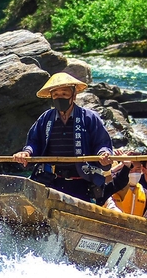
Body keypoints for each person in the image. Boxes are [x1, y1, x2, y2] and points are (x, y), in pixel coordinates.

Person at [12, 72, 113, 202]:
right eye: (56, 95)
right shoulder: (45, 118)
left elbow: (102, 143)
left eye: (64, 94)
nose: (60, 97)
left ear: (74, 96)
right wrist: (26, 153)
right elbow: (34, 141)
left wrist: (104, 154)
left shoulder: (89, 117)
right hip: (51, 180)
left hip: (82, 182)